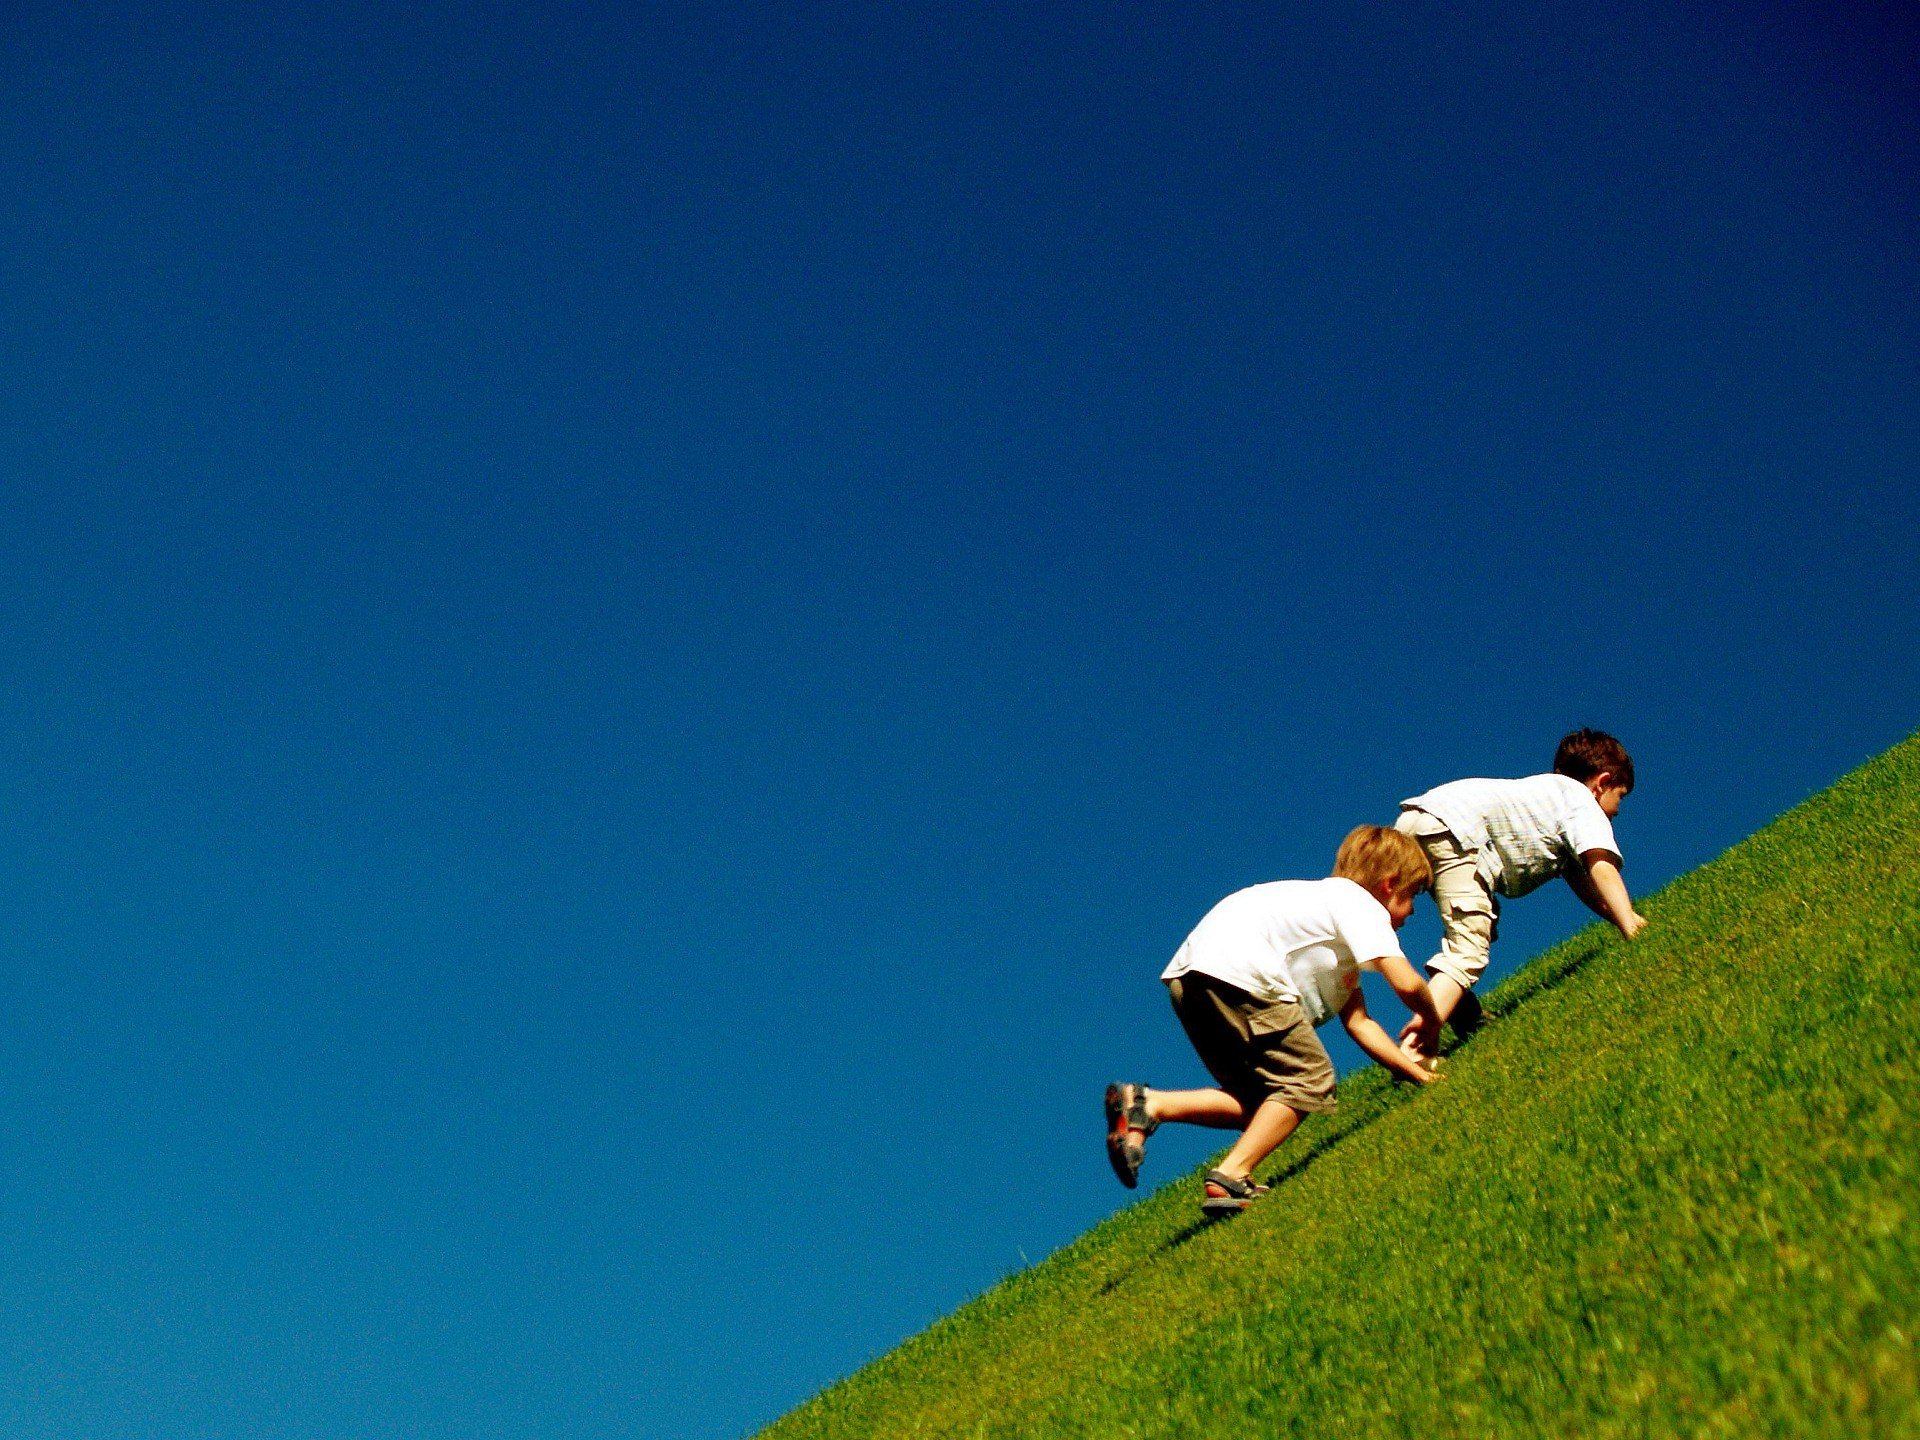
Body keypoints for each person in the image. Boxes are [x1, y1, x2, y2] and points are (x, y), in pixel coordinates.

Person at [1105, 825, 1441, 1218]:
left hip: (1192, 978)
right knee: (1309, 1080)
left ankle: (1147, 1105)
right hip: (1243, 972)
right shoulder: (1359, 904)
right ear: (1388, 885)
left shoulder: (1323, 921)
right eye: (1412, 896)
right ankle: (1231, 1175)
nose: (1414, 911)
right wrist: (1432, 1020)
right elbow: (1406, 982)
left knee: (1267, 1103)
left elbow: (1360, 1024)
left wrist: (1418, 1076)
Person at [1393, 728, 1646, 1063]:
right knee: (1468, 948)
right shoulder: (1582, 802)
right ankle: (1416, 1048)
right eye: (1620, 797)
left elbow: (1583, 881)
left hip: (1419, 819)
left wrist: (1620, 916)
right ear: (1601, 782)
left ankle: (1462, 1011)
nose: (1615, 811)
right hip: (1457, 831)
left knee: (1482, 921)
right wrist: (1630, 925)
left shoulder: (1549, 795)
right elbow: (1600, 867)